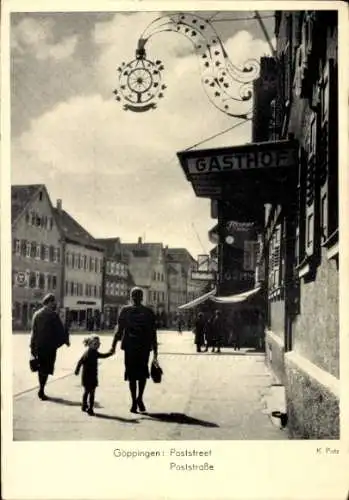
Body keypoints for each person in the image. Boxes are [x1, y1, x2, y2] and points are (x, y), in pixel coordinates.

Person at [110, 287, 158, 413]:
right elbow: (153, 332)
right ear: (142, 297)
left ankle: (134, 402)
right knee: (142, 374)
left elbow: (119, 330)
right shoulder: (149, 312)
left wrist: (113, 346)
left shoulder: (125, 311)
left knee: (132, 375)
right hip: (143, 347)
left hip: (130, 347)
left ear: (131, 297)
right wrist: (156, 352)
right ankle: (139, 399)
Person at [30, 293, 70, 400]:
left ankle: (41, 388)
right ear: (49, 302)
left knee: (41, 368)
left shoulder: (37, 314)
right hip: (50, 347)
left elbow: (33, 332)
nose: (55, 304)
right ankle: (41, 389)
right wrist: (65, 340)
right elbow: (60, 331)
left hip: (39, 346)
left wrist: (32, 347)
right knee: (46, 369)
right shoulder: (53, 315)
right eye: (53, 302)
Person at [75, 335, 113, 416]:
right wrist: (77, 370)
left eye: (98, 343)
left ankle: (84, 405)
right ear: (90, 344)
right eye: (95, 343)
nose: (98, 345)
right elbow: (80, 361)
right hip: (89, 376)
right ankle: (90, 408)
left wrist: (77, 370)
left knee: (87, 392)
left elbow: (80, 362)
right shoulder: (90, 353)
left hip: (89, 376)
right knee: (91, 393)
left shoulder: (92, 352)